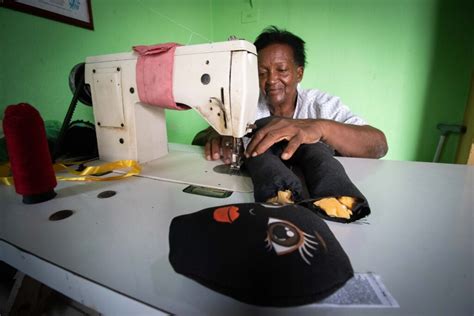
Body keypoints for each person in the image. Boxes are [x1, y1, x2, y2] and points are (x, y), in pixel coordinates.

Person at [194, 26, 388, 163]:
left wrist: (321, 128)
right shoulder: (247, 104)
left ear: (299, 73)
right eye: (262, 73)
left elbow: (379, 145)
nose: (271, 80)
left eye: (282, 70)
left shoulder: (321, 106)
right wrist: (216, 136)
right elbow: (198, 139)